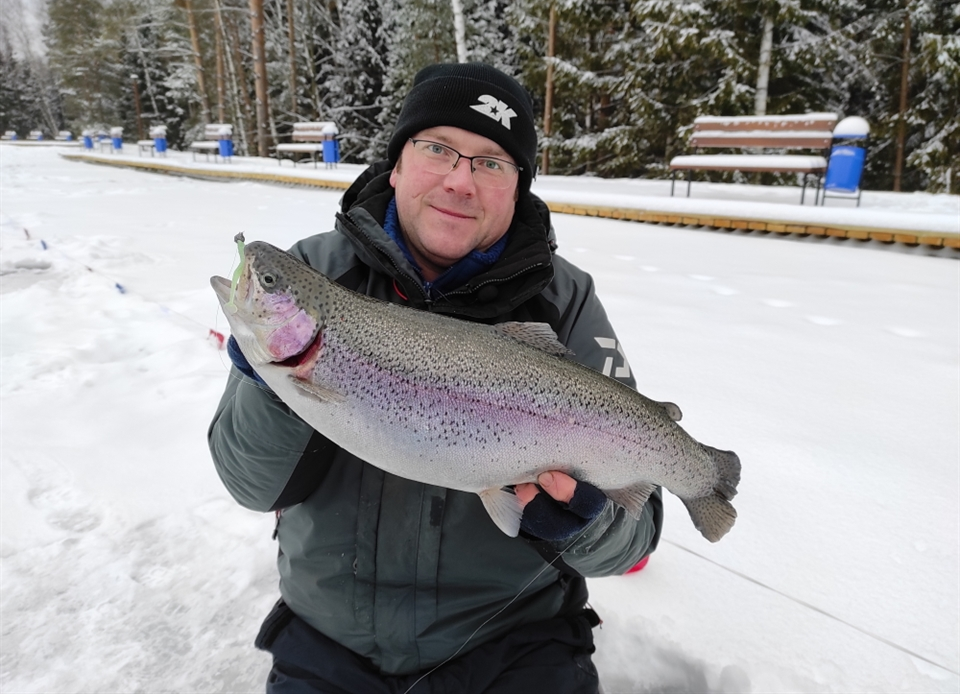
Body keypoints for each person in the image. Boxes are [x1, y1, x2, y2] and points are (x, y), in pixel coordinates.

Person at [209, 62, 662, 694]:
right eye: (438, 149)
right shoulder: (313, 273)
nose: (460, 180)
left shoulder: (566, 303)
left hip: (516, 650)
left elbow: (635, 529)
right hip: (328, 647)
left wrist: (587, 525)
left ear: (520, 189)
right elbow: (249, 486)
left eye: (492, 162)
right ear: (396, 164)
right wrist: (272, 385)